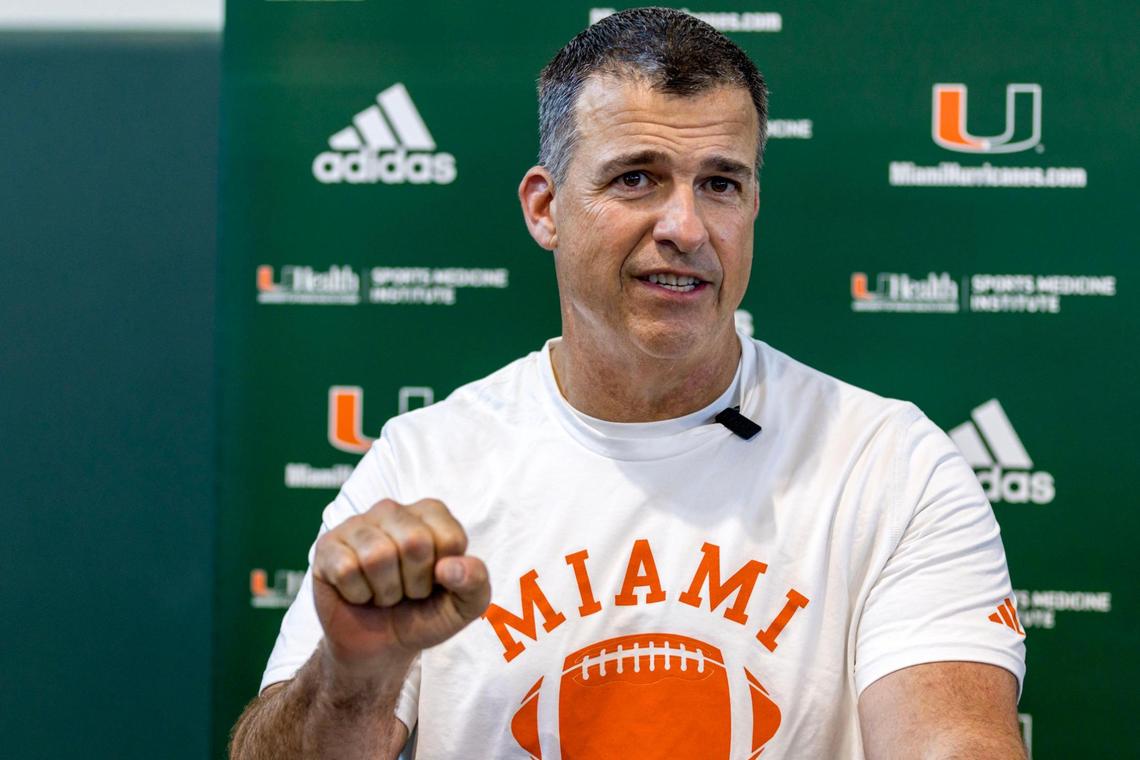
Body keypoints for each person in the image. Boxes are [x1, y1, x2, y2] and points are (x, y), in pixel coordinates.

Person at [230, 8, 1027, 759]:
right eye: (637, 179)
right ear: (545, 209)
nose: (685, 228)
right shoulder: (425, 464)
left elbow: (949, 737)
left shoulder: (889, 464)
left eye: (720, 183)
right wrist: (352, 678)